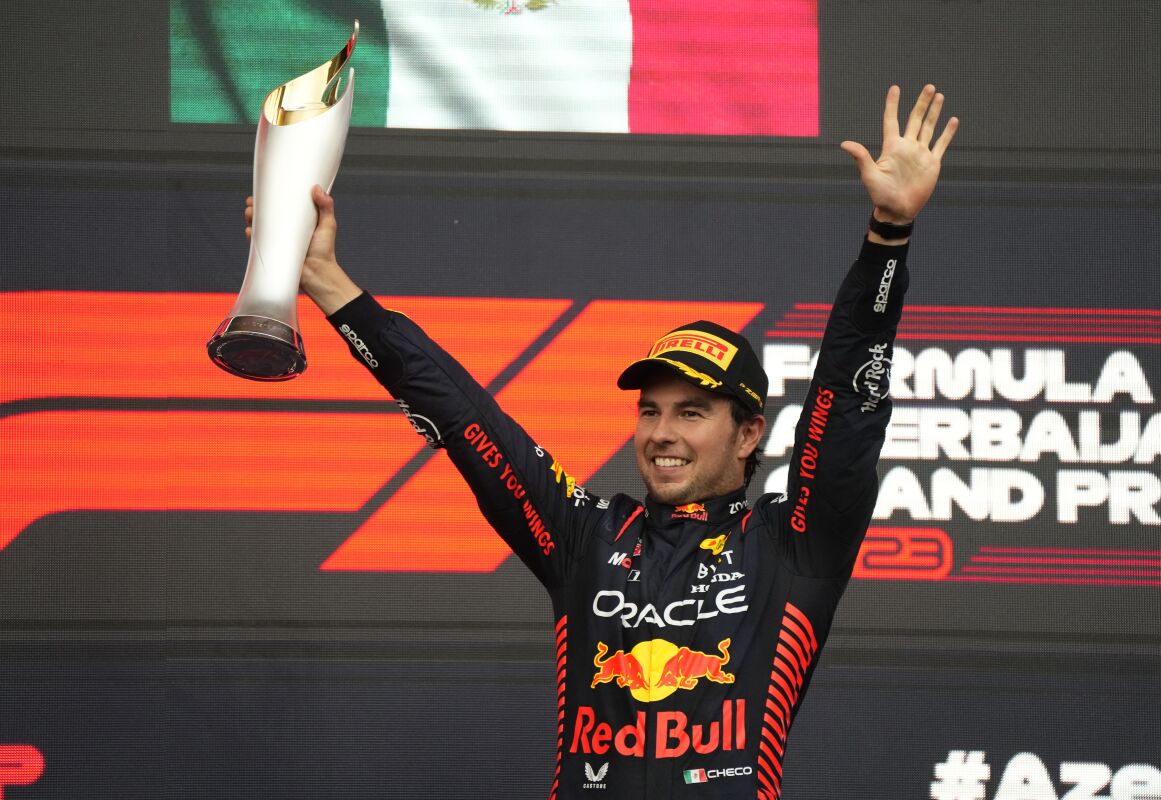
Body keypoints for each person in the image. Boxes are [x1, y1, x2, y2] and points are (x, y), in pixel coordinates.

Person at [245, 84, 957, 799]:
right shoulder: (586, 536)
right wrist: (330, 285)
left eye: (691, 413)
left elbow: (846, 402)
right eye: (650, 411)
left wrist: (888, 236)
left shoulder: (793, 545)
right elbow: (463, 417)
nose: (662, 433)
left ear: (748, 433)